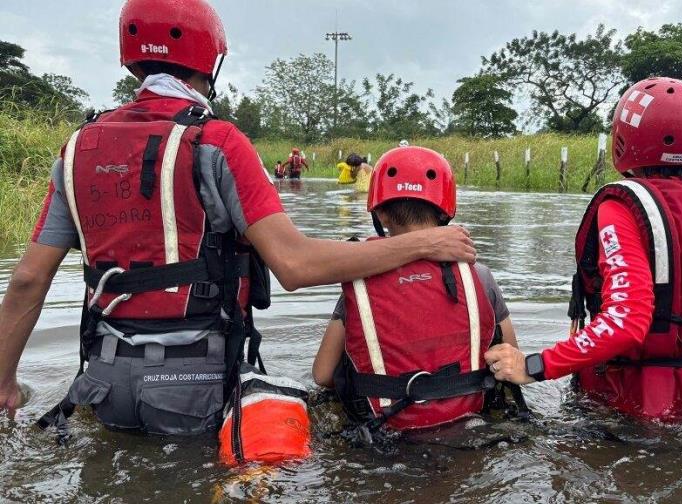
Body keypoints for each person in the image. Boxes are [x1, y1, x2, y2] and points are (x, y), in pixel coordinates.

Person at [0, 0, 475, 438]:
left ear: (131, 58)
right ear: (210, 60)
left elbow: (26, 280)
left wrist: (6, 384)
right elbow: (295, 266)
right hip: (196, 387)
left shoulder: (76, 149)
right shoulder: (218, 142)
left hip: (101, 385)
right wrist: (424, 244)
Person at [485, 77, 682, 423]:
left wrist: (532, 366)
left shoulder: (623, 207)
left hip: (645, 405)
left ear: (625, 137)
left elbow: (627, 321)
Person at [312, 146, 518, 432]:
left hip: (387, 435)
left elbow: (322, 374)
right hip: (469, 426)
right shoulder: (479, 276)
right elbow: (510, 356)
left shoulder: (361, 282)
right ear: (446, 210)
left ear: (381, 214)